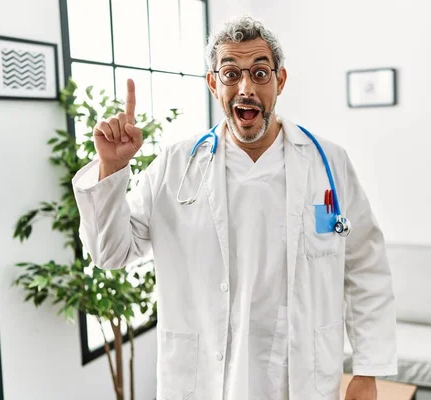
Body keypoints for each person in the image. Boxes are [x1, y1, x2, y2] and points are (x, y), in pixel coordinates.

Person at [72, 15, 397, 400]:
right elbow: (110, 252)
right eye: (230, 74)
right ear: (213, 83)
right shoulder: (175, 166)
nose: (246, 88)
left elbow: (366, 266)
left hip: (300, 380)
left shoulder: (328, 162)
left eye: (260, 73)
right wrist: (112, 166)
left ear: (280, 81)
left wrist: (367, 370)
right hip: (206, 383)